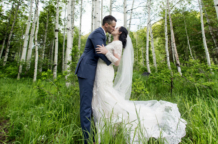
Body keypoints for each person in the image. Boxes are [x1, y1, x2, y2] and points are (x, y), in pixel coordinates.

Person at [93, 26, 186, 144]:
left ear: (120, 32)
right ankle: (108, 127)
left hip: (106, 72)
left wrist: (106, 52)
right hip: (101, 71)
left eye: (116, 27)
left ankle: (106, 131)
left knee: (105, 97)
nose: (114, 28)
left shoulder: (118, 44)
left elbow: (117, 62)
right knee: (102, 98)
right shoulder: (113, 42)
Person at [75, 15, 117, 144]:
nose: (113, 28)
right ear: (106, 25)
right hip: (86, 70)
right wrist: (111, 62)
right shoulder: (98, 33)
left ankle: (94, 134)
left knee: (93, 104)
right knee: (86, 106)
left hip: (91, 70)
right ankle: (87, 140)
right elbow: (99, 52)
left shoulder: (101, 33)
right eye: (113, 26)